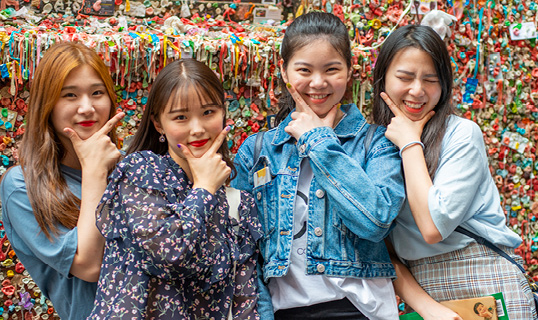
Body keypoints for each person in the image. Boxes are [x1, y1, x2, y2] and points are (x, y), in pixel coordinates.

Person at [231, 12, 406, 320]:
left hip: (358, 310)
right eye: (304, 70)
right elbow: (243, 252)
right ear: (284, 72)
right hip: (284, 312)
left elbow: (375, 221)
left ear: (350, 71)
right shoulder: (257, 151)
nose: (318, 83)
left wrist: (318, 140)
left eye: (331, 69)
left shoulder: (376, 143)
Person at [372, 24, 537, 320]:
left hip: (486, 282)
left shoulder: (461, 135)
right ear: (382, 78)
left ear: (444, 86)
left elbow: (433, 227)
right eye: (405, 77)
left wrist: (410, 143)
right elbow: (381, 253)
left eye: (430, 80)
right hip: (422, 292)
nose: (417, 90)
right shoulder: (371, 147)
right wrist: (428, 308)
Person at [87, 58, 263, 319]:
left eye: (208, 112)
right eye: (181, 117)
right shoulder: (141, 171)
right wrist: (203, 188)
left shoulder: (239, 203)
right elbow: (170, 251)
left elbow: (244, 299)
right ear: (159, 124)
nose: (198, 128)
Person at [0, 42, 125, 319]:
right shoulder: (21, 186)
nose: (87, 108)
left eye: (97, 93)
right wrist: (94, 171)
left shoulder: (129, 166)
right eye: (69, 95)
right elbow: (89, 266)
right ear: (48, 104)